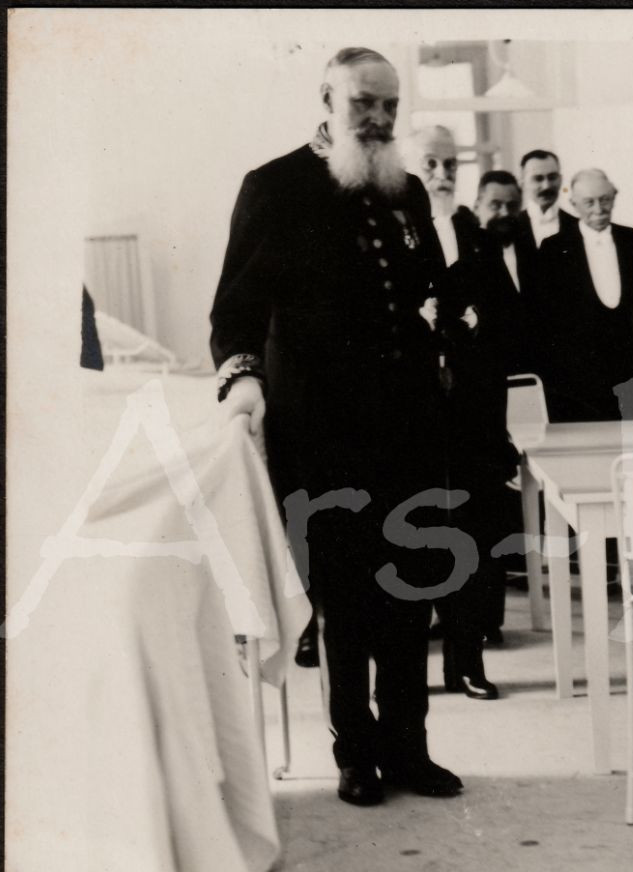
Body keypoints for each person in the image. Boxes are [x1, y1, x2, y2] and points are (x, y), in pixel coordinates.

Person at [211, 46, 464, 806]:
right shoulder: (274, 186)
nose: (381, 119)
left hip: (410, 428)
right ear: (327, 99)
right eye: (365, 104)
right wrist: (243, 383)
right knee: (349, 600)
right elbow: (234, 311)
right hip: (321, 433)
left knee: (412, 589)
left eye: (391, 105)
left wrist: (451, 321)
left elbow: (429, 288)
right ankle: (355, 754)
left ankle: (409, 749)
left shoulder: (407, 190)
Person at [427, 170, 531, 700]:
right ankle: (404, 677)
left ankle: (466, 662)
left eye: (448, 166)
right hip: (412, 423)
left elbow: (510, 326)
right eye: (429, 165)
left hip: (476, 421)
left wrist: (466, 334)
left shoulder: (483, 240)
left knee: (475, 546)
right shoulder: (387, 233)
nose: (439, 176)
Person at [535, 168, 633, 421]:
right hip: (581, 377)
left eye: (605, 199)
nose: (599, 208)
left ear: (614, 197)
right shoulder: (553, 249)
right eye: (589, 202)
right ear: (574, 204)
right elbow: (548, 318)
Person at [405, 125, 476, 267]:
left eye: (450, 164)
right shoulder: (398, 231)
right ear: (408, 167)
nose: (442, 175)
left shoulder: (475, 234)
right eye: (430, 163)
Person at [517, 149, 578, 250]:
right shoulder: (512, 226)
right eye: (538, 178)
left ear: (560, 179)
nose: (546, 186)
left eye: (552, 177)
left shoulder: (576, 226)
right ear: (522, 183)